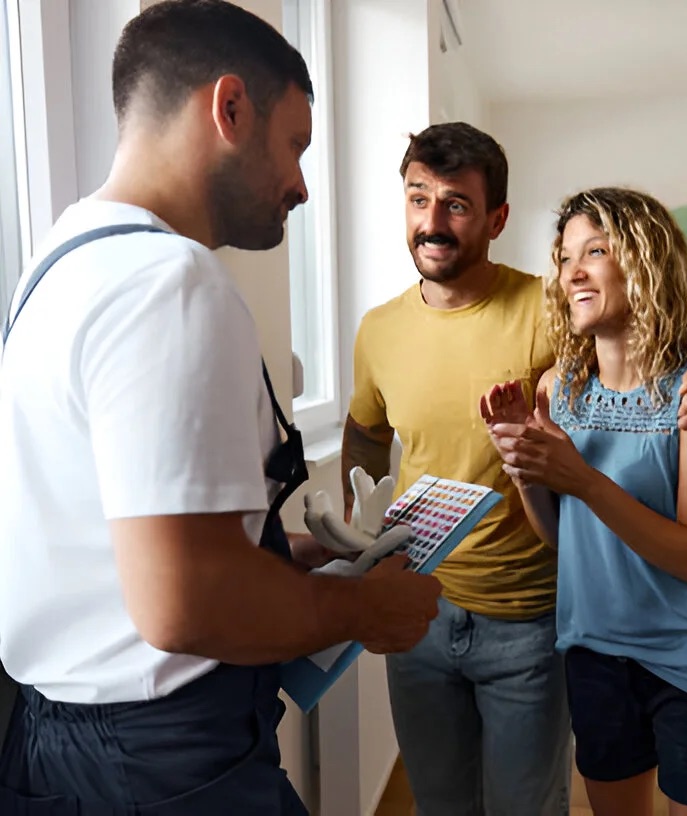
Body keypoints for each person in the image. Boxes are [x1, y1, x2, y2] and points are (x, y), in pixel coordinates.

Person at [0, 2, 442, 813]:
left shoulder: (56, 267)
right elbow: (182, 603)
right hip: (166, 764)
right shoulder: (168, 283)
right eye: (296, 146)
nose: (302, 185)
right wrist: (367, 606)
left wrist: (277, 554)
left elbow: (118, 549)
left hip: (55, 748)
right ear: (229, 108)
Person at [343, 123, 687, 815]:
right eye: (417, 198)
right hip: (431, 612)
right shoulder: (389, 332)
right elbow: (365, 435)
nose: (432, 221)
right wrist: (369, 542)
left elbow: (663, 355)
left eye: (456, 203)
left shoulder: (554, 310)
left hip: (534, 622)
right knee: (440, 803)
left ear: (497, 217)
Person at [480, 186, 687, 816]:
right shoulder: (558, 388)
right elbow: (561, 538)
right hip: (595, 653)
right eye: (565, 256)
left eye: (596, 251)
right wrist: (528, 469)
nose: (571, 272)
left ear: (645, 263)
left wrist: (578, 476)